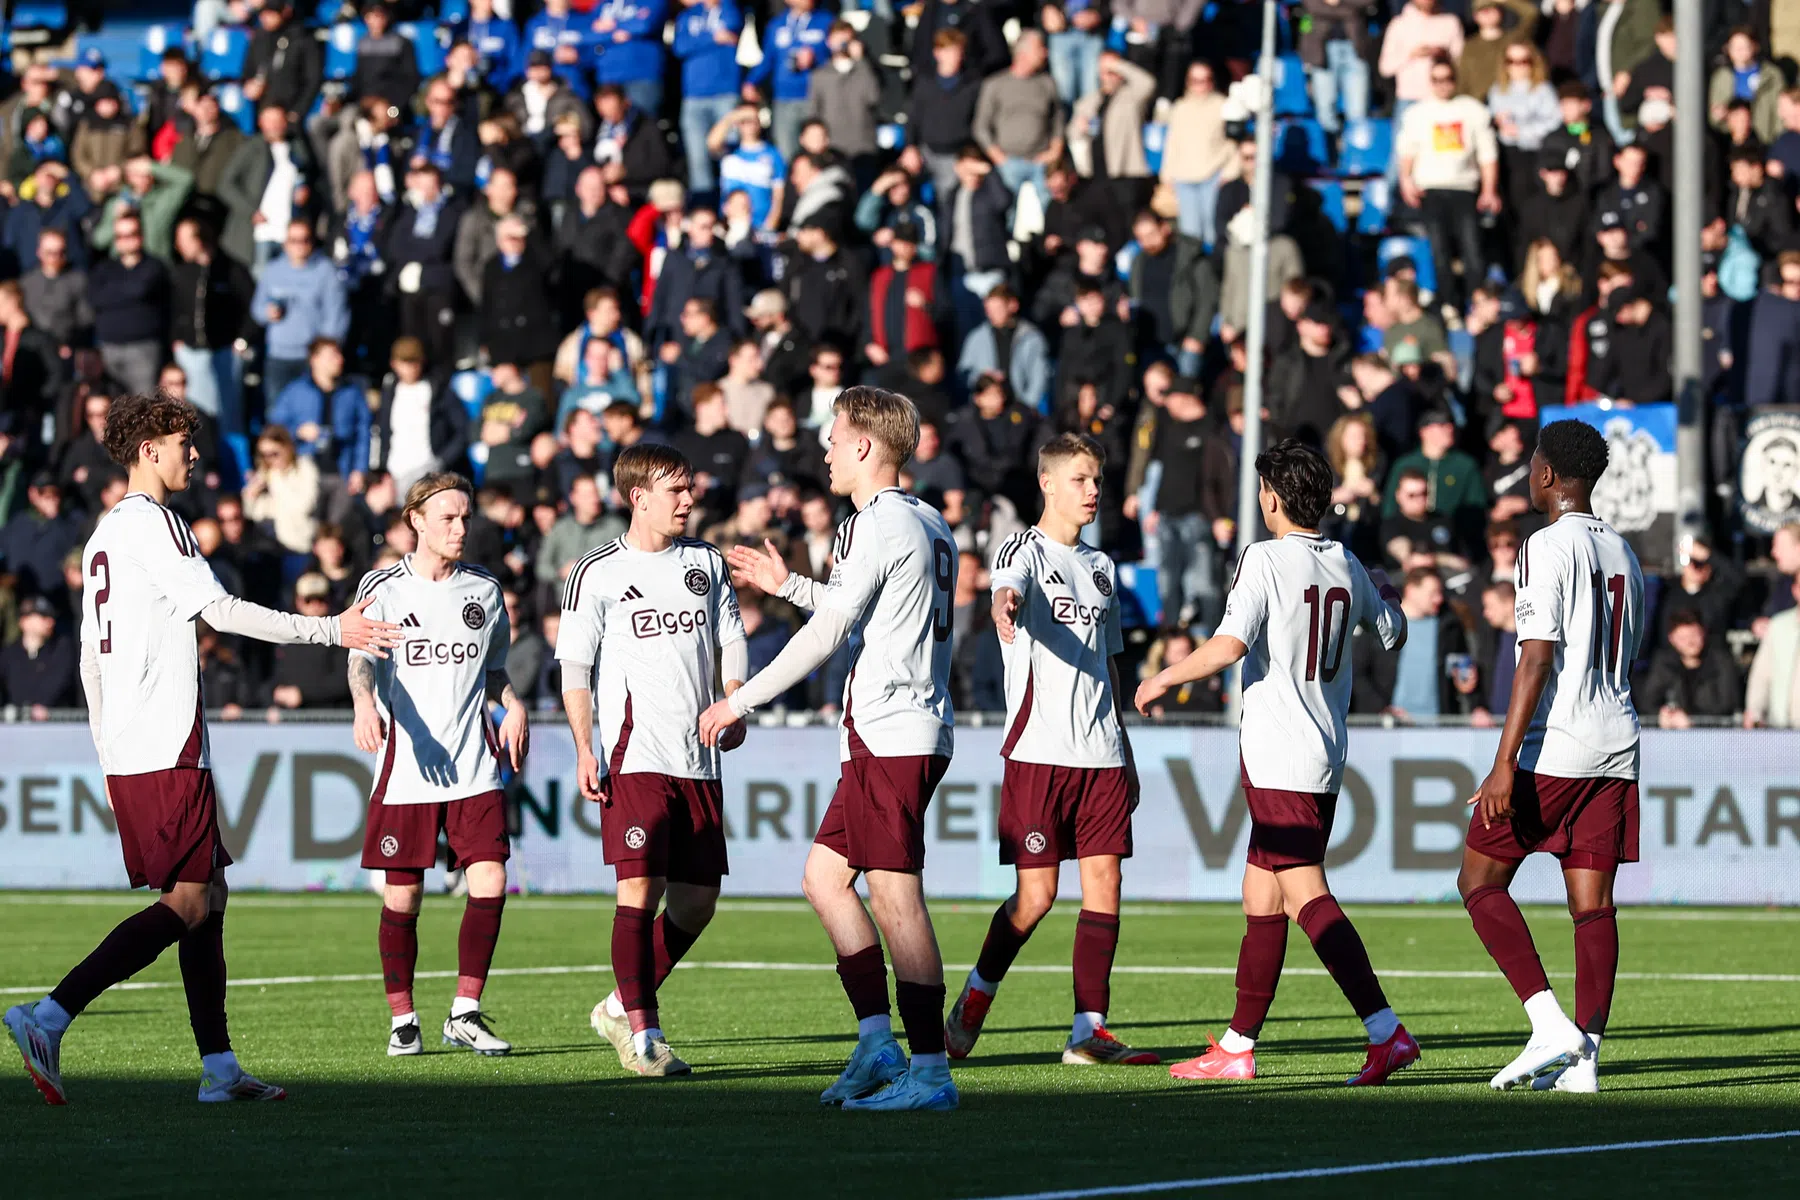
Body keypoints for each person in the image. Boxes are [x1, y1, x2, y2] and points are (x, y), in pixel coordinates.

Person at [3, 389, 400, 1106]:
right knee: (189, 901)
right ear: (148, 450)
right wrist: (329, 630)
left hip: (135, 742)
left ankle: (219, 1069)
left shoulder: (101, 536)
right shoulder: (156, 524)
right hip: (164, 740)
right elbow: (219, 609)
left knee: (210, 896)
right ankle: (49, 1015)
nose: (195, 453)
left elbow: (94, 661)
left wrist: (108, 745)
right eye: (183, 442)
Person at [704, 387, 959, 1111]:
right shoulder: (925, 518)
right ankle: (879, 1044)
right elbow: (861, 609)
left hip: (894, 731)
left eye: (833, 436)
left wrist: (740, 697)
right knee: (823, 878)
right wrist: (789, 585)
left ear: (864, 447)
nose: (823, 449)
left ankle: (932, 1072)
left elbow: (828, 636)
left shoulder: (876, 522)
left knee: (895, 895)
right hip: (897, 730)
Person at [1134, 438, 1417, 1085]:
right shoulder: (1345, 561)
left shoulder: (1264, 559)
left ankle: (1386, 1030)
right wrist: (1388, 594)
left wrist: (1162, 678)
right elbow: (1393, 629)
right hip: (1321, 751)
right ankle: (1237, 1046)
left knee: (1303, 892)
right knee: (1260, 897)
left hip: (1280, 754)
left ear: (1272, 498)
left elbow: (1231, 643)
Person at [944, 433, 1152, 1066]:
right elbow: (1005, 586)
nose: (1094, 491)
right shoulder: (1022, 549)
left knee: (1106, 885)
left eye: (1098, 480)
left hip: (1103, 753)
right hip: (1040, 751)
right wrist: (1004, 604)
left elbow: (1109, 664)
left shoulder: (1101, 568)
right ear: (1049, 483)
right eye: (1083, 479)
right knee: (1035, 897)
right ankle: (978, 993)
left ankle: (1088, 1031)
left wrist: (1127, 750)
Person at [1461, 420, 1645, 1094]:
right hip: (1617, 741)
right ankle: (1585, 1061)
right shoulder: (1624, 550)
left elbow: (1537, 656)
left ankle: (1547, 1024)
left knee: (1479, 882)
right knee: (1593, 906)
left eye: (1535, 460)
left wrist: (1505, 759)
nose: (1531, 471)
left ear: (1548, 474)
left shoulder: (1545, 546)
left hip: (1556, 746)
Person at [556, 445, 747, 1076]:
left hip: (699, 760)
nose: (689, 499)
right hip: (633, 756)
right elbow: (576, 670)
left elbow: (731, 639)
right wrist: (585, 747)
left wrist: (734, 702)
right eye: (676, 489)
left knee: (697, 903)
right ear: (639, 496)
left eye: (689, 488)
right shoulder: (596, 572)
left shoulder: (707, 563)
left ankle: (618, 1003)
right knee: (639, 890)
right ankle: (645, 1037)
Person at [349, 472, 528, 1058]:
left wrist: (513, 702)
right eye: (447, 517)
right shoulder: (383, 587)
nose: (460, 527)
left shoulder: (483, 591)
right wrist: (363, 706)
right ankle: (403, 1017)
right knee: (403, 898)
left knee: (492, 878)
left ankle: (466, 1011)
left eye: (465, 516)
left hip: (474, 761)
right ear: (416, 522)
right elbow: (359, 662)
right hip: (407, 767)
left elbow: (494, 671)